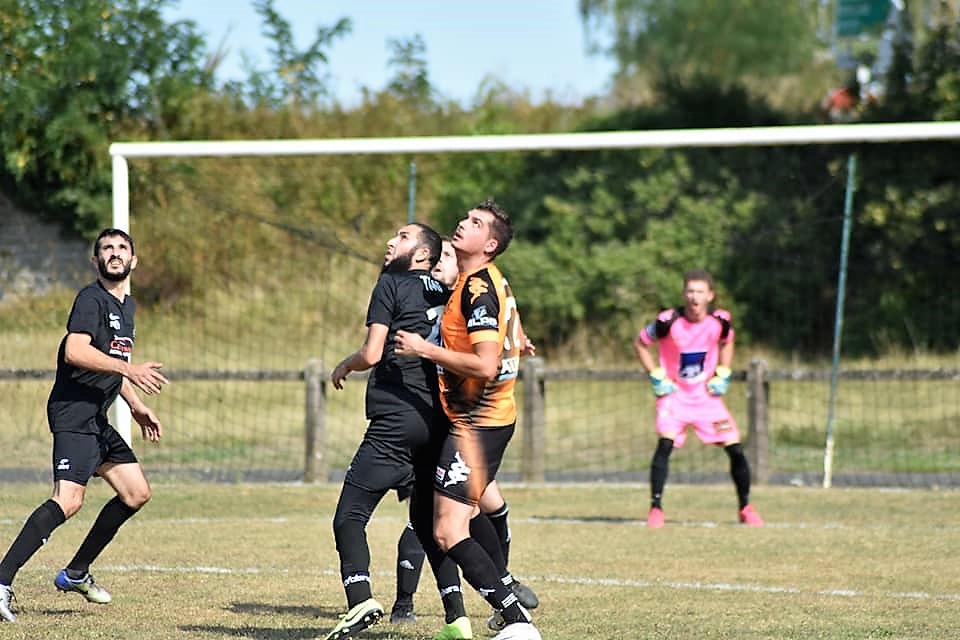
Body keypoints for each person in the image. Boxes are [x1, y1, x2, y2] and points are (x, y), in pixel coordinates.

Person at [0, 228, 169, 623]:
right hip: (74, 413)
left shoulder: (127, 306)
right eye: (106, 249)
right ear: (95, 262)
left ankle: (75, 573)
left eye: (122, 248)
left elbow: (109, 363)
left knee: (136, 493)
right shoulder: (91, 299)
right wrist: (129, 368)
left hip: (97, 417)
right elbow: (76, 351)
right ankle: (2, 581)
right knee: (68, 500)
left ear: (133, 260)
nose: (114, 253)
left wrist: (136, 403)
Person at [395, 199, 542, 640]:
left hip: (478, 424)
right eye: (465, 218)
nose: (462, 224)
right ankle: (509, 607)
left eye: (475, 223)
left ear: (490, 244)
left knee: (447, 528)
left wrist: (424, 350)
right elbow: (502, 331)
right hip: (476, 420)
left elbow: (483, 365)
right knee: (460, 519)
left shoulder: (478, 287)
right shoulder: (475, 282)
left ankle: (516, 618)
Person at [324, 222, 465, 640]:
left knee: (348, 517)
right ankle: (457, 617)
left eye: (402, 237)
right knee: (427, 525)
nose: (391, 241)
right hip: (436, 421)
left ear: (423, 254)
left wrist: (345, 364)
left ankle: (360, 599)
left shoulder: (391, 282)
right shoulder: (448, 294)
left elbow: (372, 352)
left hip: (395, 421)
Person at [633, 268, 763, 529]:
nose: (694, 297)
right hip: (675, 397)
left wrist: (723, 372)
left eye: (700, 292)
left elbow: (727, 341)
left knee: (735, 448)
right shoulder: (667, 322)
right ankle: (656, 508)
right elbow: (640, 343)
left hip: (706, 397)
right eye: (690, 291)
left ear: (710, 295)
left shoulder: (720, 322)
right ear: (684, 294)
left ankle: (745, 507)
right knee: (665, 445)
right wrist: (656, 374)